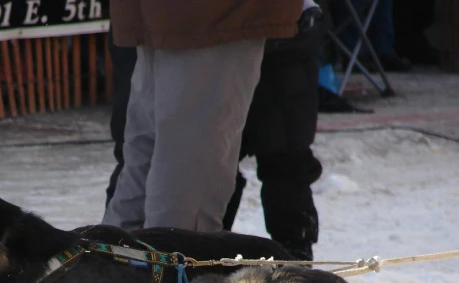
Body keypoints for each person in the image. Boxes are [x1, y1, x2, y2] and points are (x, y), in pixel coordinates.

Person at [101, 0, 305, 233]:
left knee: (149, 155)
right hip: (215, 17)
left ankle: (119, 263)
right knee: (192, 169)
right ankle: (172, 264)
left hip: (173, 15)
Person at [222, 4, 325, 261]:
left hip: (285, 43)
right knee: (214, 163)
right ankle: (203, 247)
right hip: (221, 45)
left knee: (287, 159)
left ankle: (295, 257)